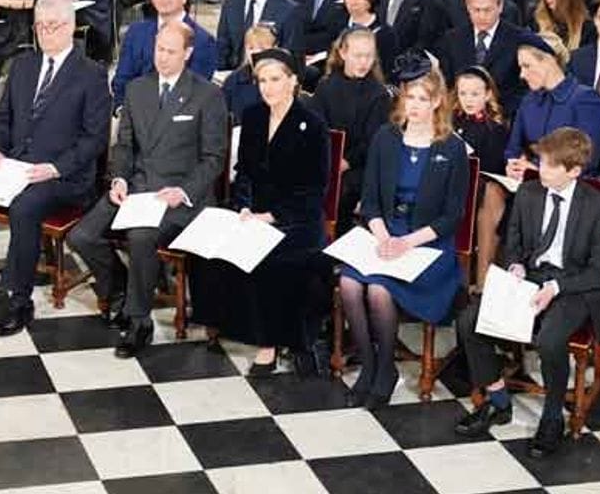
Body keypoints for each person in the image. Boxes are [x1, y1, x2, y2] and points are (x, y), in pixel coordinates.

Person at [0, 0, 111, 335]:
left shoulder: (90, 75)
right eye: (40, 26)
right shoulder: (24, 65)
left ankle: (20, 299)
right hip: (16, 167)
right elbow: (2, 119)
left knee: (25, 206)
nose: (46, 33)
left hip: (65, 176)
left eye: (53, 26)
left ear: (71, 27)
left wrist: (55, 168)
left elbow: (94, 139)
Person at [453, 125, 600, 458]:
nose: (540, 170)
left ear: (574, 171)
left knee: (550, 339)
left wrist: (555, 288)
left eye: (549, 165)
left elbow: (598, 273)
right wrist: (515, 266)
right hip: (531, 277)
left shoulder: (598, 207)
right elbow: (512, 244)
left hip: (573, 286)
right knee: (469, 320)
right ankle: (498, 399)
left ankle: (553, 415)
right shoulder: (528, 193)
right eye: (540, 162)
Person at [70, 21, 230, 357]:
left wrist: (182, 191)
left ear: (188, 53)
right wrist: (119, 179)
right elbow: (125, 145)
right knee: (82, 235)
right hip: (138, 189)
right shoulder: (137, 89)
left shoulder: (208, 94)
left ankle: (138, 320)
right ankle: (120, 289)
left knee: (141, 236)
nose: (163, 57)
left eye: (171, 51)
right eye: (159, 49)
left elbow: (213, 159)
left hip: (182, 197)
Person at [190, 49, 332, 376]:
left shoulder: (311, 125)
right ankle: (226, 324)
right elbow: (245, 172)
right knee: (209, 246)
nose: (267, 87)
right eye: (262, 81)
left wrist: (271, 216)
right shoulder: (253, 116)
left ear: (293, 81)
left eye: (275, 80)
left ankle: (269, 341)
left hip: (297, 219)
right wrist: (243, 205)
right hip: (252, 211)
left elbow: (313, 189)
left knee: (273, 258)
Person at [337, 65, 469, 408]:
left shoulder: (452, 148)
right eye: (409, 97)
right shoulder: (386, 137)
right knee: (350, 285)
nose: (414, 105)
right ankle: (370, 366)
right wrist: (383, 238)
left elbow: (452, 216)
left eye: (422, 99)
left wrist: (406, 243)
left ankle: (386, 369)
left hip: (427, 244)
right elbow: (370, 202)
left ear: (438, 101)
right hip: (385, 234)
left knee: (379, 290)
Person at [311, 27, 393, 225]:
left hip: (359, 165)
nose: (364, 62)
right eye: (357, 56)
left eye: (368, 56)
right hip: (327, 159)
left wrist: (345, 162)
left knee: (343, 191)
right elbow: (317, 127)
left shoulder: (378, 94)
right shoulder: (326, 85)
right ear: (343, 53)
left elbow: (372, 141)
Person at [504, 33, 600, 176]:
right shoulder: (528, 100)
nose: (522, 75)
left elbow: (588, 158)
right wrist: (513, 165)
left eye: (527, 66)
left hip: (571, 185)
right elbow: (513, 149)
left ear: (549, 60)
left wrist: (537, 168)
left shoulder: (586, 99)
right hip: (528, 183)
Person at [110, 0, 217, 104]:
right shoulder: (136, 32)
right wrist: (123, 111)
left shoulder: (203, 40)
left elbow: (196, 93)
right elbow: (121, 81)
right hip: (134, 113)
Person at [453, 67, 511, 287]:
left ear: (487, 94)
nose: (468, 99)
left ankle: (480, 281)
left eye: (475, 94)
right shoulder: (449, 122)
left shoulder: (494, 129)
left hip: (477, 187)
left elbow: (492, 168)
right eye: (463, 93)